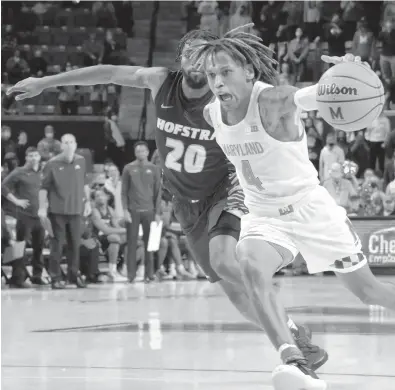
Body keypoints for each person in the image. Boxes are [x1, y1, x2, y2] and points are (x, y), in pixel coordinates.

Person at [7, 28, 327, 370]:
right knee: (233, 292)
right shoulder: (161, 81)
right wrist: (45, 81)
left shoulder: (225, 95)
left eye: (205, 54)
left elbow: (274, 104)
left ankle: (290, 351)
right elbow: (106, 72)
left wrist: (322, 95)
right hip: (185, 201)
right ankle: (295, 334)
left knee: (226, 263)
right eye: (190, 51)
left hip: (226, 189)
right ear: (180, 58)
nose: (196, 59)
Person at [185, 27, 395, 390]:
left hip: (311, 210)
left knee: (368, 291)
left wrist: (347, 77)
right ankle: (296, 362)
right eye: (211, 74)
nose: (217, 82)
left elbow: (317, 95)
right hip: (264, 214)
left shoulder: (275, 101)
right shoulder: (211, 113)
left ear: (249, 71)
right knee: (249, 264)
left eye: (225, 72)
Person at [39, 134, 91, 289]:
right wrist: (42, 207)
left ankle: (73, 276)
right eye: (65, 143)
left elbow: (85, 183)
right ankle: (55, 277)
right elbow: (43, 188)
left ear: (75, 145)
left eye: (71, 142)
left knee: (75, 245)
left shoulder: (81, 161)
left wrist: (88, 201)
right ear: (61, 146)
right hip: (57, 211)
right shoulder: (52, 164)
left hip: (76, 211)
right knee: (57, 245)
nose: (68, 145)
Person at [1, 147, 47, 287]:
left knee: (38, 247)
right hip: (24, 216)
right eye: (30, 155)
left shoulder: (43, 173)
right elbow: (3, 187)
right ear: (26, 158)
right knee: (20, 247)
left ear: (39, 157)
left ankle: (37, 276)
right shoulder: (19, 172)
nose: (33, 158)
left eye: (36, 155)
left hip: (39, 216)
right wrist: (16, 201)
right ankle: (18, 278)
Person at [122, 141, 162, 283]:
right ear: (135, 153)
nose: (141, 153)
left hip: (150, 211)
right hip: (133, 211)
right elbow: (124, 192)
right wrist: (125, 210)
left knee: (150, 244)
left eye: (143, 151)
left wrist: (158, 213)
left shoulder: (155, 169)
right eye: (138, 151)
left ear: (147, 152)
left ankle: (149, 274)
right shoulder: (128, 168)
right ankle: (131, 275)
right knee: (131, 244)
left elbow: (158, 192)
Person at [91, 187, 127, 282]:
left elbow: (116, 227)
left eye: (101, 195)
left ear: (107, 197)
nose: (100, 197)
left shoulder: (110, 210)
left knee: (129, 239)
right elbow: (105, 230)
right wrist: (125, 230)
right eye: (97, 196)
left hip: (110, 239)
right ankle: (115, 269)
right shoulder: (95, 211)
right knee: (115, 237)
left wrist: (127, 232)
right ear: (94, 199)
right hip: (97, 239)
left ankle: (121, 269)